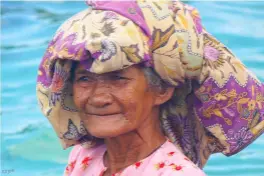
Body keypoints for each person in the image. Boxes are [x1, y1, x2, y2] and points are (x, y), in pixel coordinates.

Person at [36, 1, 264, 176]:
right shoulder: (85, 156)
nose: (98, 98)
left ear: (162, 90)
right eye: (84, 79)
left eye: (118, 79)